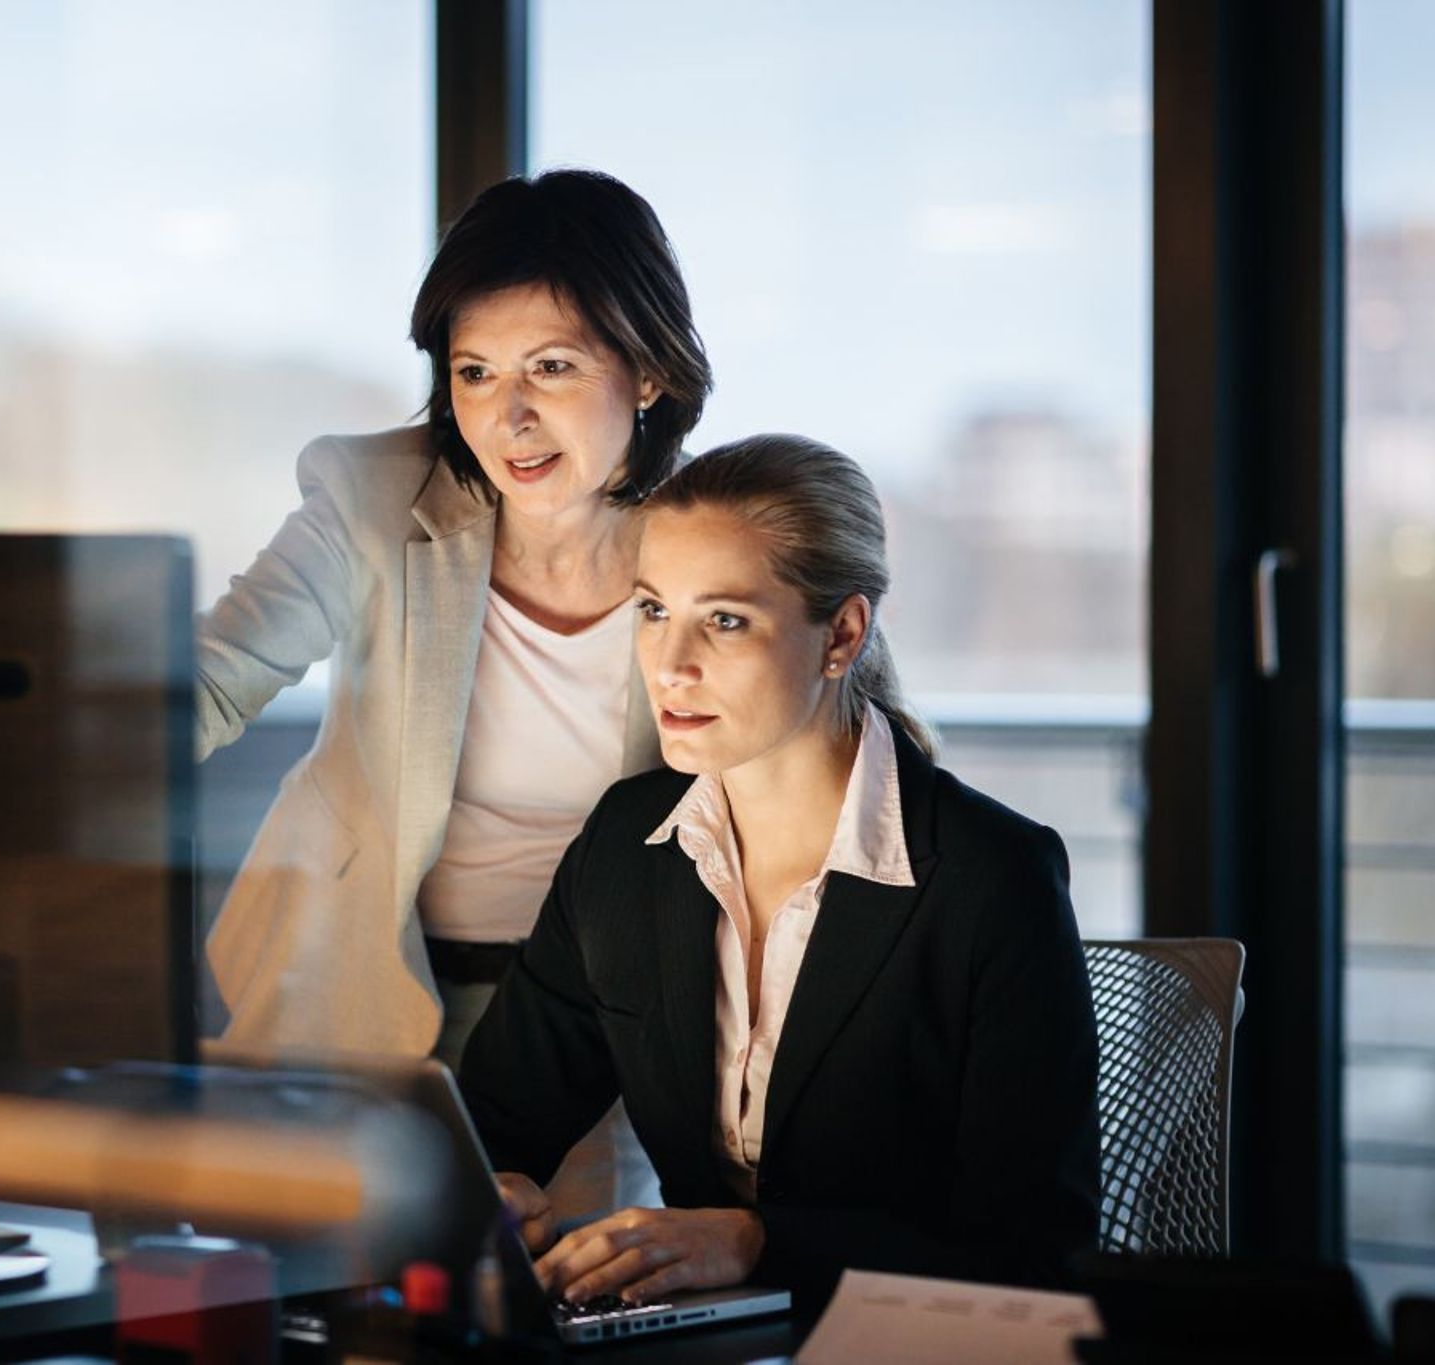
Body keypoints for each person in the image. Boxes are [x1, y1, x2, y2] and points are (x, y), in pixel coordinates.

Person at [458, 434, 1100, 1310]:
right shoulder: (625, 848)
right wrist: (487, 1188)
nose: (670, 663)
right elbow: (492, 1121)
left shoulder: (992, 879)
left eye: (724, 620)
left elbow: (1036, 1254)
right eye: (652, 611)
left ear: (841, 634)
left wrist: (762, 1242)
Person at [196, 169, 711, 1072]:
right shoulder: (374, 499)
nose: (508, 417)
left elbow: (855, 744)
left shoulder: (720, 540)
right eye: (476, 372)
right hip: (347, 981)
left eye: (552, 367)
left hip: (609, 1018)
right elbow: (213, 676)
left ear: (650, 372)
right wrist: (52, 771)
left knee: (574, 1221)